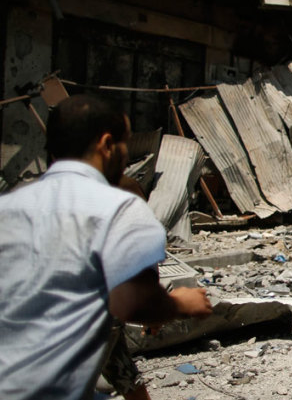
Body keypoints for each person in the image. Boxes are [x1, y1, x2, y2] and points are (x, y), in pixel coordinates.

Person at [0, 95, 213, 400]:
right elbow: (139, 302)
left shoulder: (9, 207)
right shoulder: (120, 205)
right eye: (125, 145)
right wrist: (180, 303)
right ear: (107, 144)